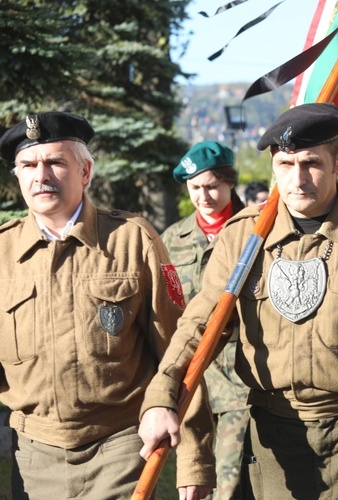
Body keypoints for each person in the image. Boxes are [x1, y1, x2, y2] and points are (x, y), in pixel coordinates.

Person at [139, 103, 338, 499]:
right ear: (273, 166)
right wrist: (160, 395)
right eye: (286, 164)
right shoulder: (243, 237)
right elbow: (198, 329)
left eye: (311, 163)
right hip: (274, 437)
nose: (298, 179)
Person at [0, 112, 214, 499]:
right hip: (32, 455)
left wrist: (194, 459)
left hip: (120, 448)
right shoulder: (2, 251)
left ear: (85, 171)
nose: (41, 175)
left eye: (56, 162)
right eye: (28, 165)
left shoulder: (133, 240)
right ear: (17, 176)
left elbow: (179, 350)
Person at [162, 141, 250, 499]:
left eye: (212, 185)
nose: (204, 196)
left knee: (229, 483)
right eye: (195, 187)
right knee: (194, 480)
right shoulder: (173, 238)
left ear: (230, 183)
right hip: (193, 381)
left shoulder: (256, 229)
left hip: (242, 378)